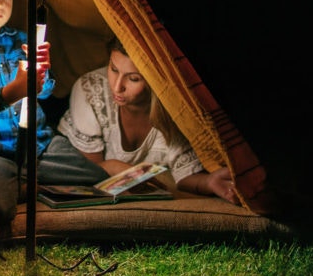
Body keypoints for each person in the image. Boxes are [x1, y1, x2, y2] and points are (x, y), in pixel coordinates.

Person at [0, 0, 109, 241]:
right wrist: (13, 91)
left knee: (95, 178)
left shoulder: (23, 40)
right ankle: (17, 181)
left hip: (39, 146)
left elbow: (46, 92)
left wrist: (42, 78)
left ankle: (25, 181)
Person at [58, 37, 239, 203]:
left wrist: (208, 181)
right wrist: (115, 167)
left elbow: (185, 174)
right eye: (113, 69)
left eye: (133, 78)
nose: (117, 86)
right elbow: (91, 172)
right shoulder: (91, 90)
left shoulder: (172, 108)